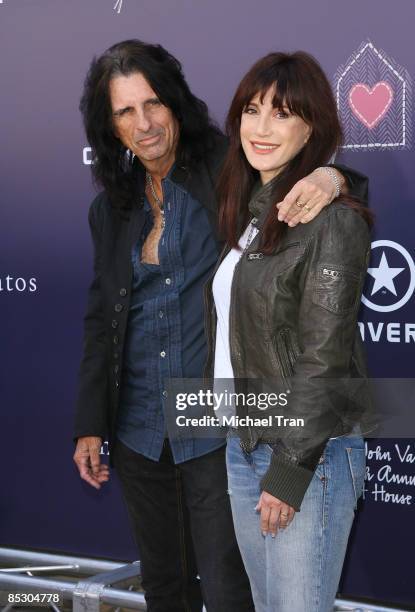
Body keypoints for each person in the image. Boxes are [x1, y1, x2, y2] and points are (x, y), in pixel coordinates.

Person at [72, 39, 368, 612]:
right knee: (165, 588)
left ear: (175, 102)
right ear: (109, 126)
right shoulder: (110, 207)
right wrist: (90, 422)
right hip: (138, 424)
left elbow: (305, 176)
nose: (145, 122)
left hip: (218, 420)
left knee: (234, 593)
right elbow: (100, 315)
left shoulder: (225, 170)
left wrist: (335, 181)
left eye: (153, 103)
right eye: (125, 111)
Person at [206, 50, 373, 612]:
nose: (261, 127)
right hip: (244, 443)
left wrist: (292, 466)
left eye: (281, 113)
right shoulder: (254, 210)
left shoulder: (332, 217)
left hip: (306, 452)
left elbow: (322, 360)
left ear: (312, 126)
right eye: (253, 110)